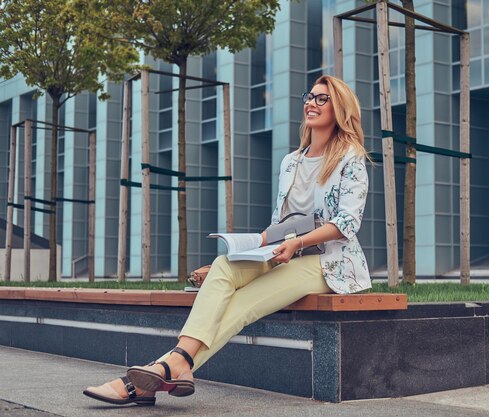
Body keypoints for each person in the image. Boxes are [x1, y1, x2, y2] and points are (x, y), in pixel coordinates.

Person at [83, 74, 371, 406]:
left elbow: (347, 223)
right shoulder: (291, 163)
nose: (311, 102)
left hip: (329, 263)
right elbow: (280, 225)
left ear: (340, 108)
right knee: (222, 266)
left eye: (322, 99)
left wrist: (298, 244)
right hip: (286, 250)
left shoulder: (350, 156)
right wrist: (243, 253)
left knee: (242, 303)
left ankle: (145, 379)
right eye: (309, 96)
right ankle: (172, 367)